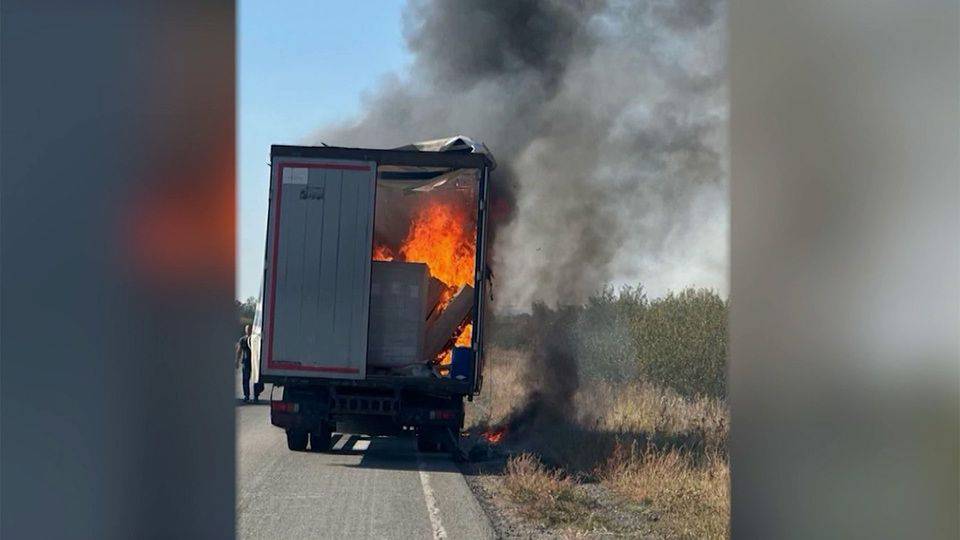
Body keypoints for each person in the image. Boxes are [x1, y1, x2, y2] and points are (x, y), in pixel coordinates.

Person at [236, 325, 256, 403]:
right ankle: (246, 396)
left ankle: (256, 396)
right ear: (245, 330)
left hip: (254, 363)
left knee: (256, 380)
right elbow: (239, 351)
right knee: (245, 380)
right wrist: (237, 361)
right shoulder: (242, 340)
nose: (248, 331)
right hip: (245, 362)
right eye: (247, 330)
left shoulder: (255, 340)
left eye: (250, 329)